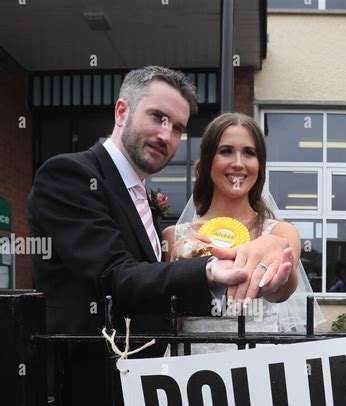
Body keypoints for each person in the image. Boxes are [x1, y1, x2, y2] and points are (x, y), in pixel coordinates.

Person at [27, 66, 293, 335]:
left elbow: (156, 290)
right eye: (157, 117)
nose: (166, 136)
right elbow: (112, 276)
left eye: (178, 128)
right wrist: (208, 272)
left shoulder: (143, 200)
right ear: (121, 112)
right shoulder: (70, 175)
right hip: (90, 369)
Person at [162, 113, 324, 353]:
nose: (238, 162)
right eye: (226, 151)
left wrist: (276, 258)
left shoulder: (281, 232)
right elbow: (169, 320)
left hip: (259, 371)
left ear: (260, 165)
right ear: (208, 161)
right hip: (194, 373)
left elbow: (281, 292)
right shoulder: (174, 237)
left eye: (249, 153)